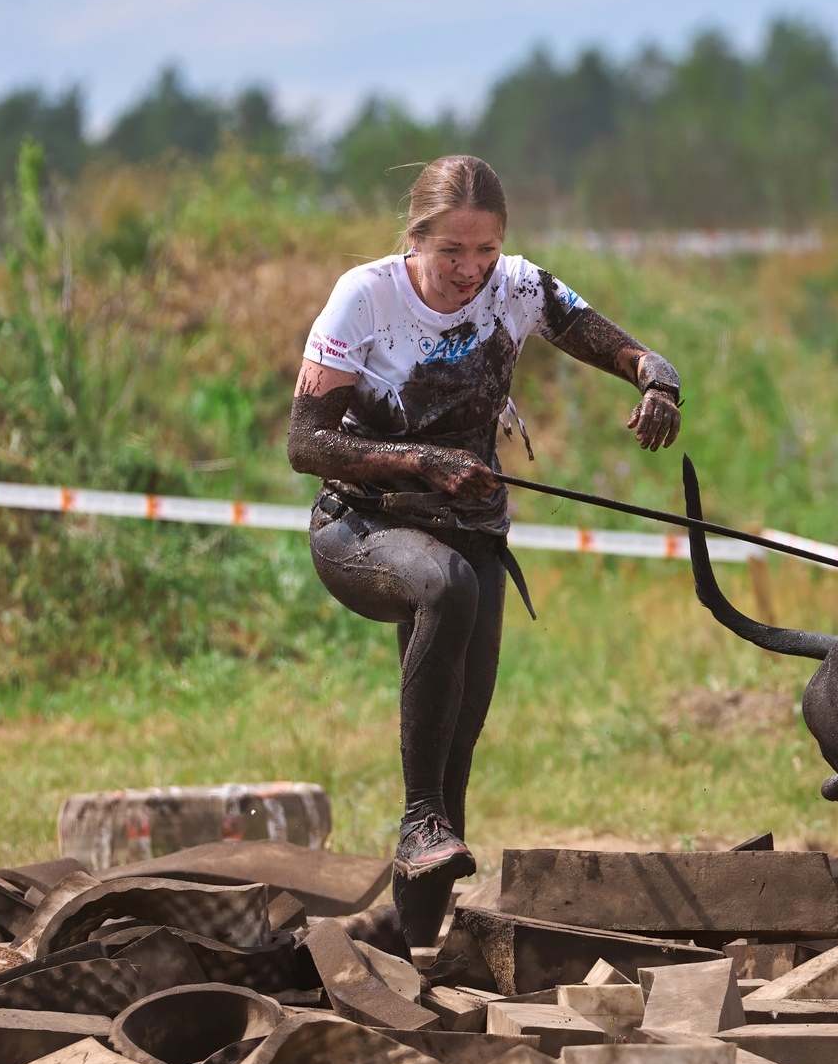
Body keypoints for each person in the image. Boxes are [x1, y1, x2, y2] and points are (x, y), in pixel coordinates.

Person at [287, 154, 682, 944]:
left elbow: (615, 344)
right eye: (451, 253)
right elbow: (306, 443)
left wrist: (657, 380)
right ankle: (420, 819)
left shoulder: (518, 288)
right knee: (446, 586)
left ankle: (414, 941)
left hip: (472, 527)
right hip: (360, 526)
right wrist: (421, 461)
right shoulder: (364, 298)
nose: (471, 272)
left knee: (453, 737)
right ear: (415, 238)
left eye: (487, 252)